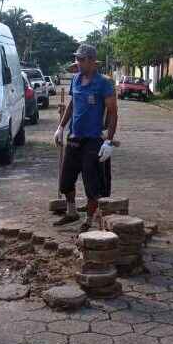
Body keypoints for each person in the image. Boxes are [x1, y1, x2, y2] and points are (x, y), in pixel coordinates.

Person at [54, 44, 119, 232]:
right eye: (77, 59)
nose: (78, 63)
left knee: (92, 185)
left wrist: (108, 141)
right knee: (66, 182)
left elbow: (113, 113)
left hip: (93, 140)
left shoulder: (104, 83)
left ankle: (89, 220)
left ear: (92, 61)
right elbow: (72, 104)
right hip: (74, 137)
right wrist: (61, 127)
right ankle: (72, 211)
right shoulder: (75, 79)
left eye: (81, 59)